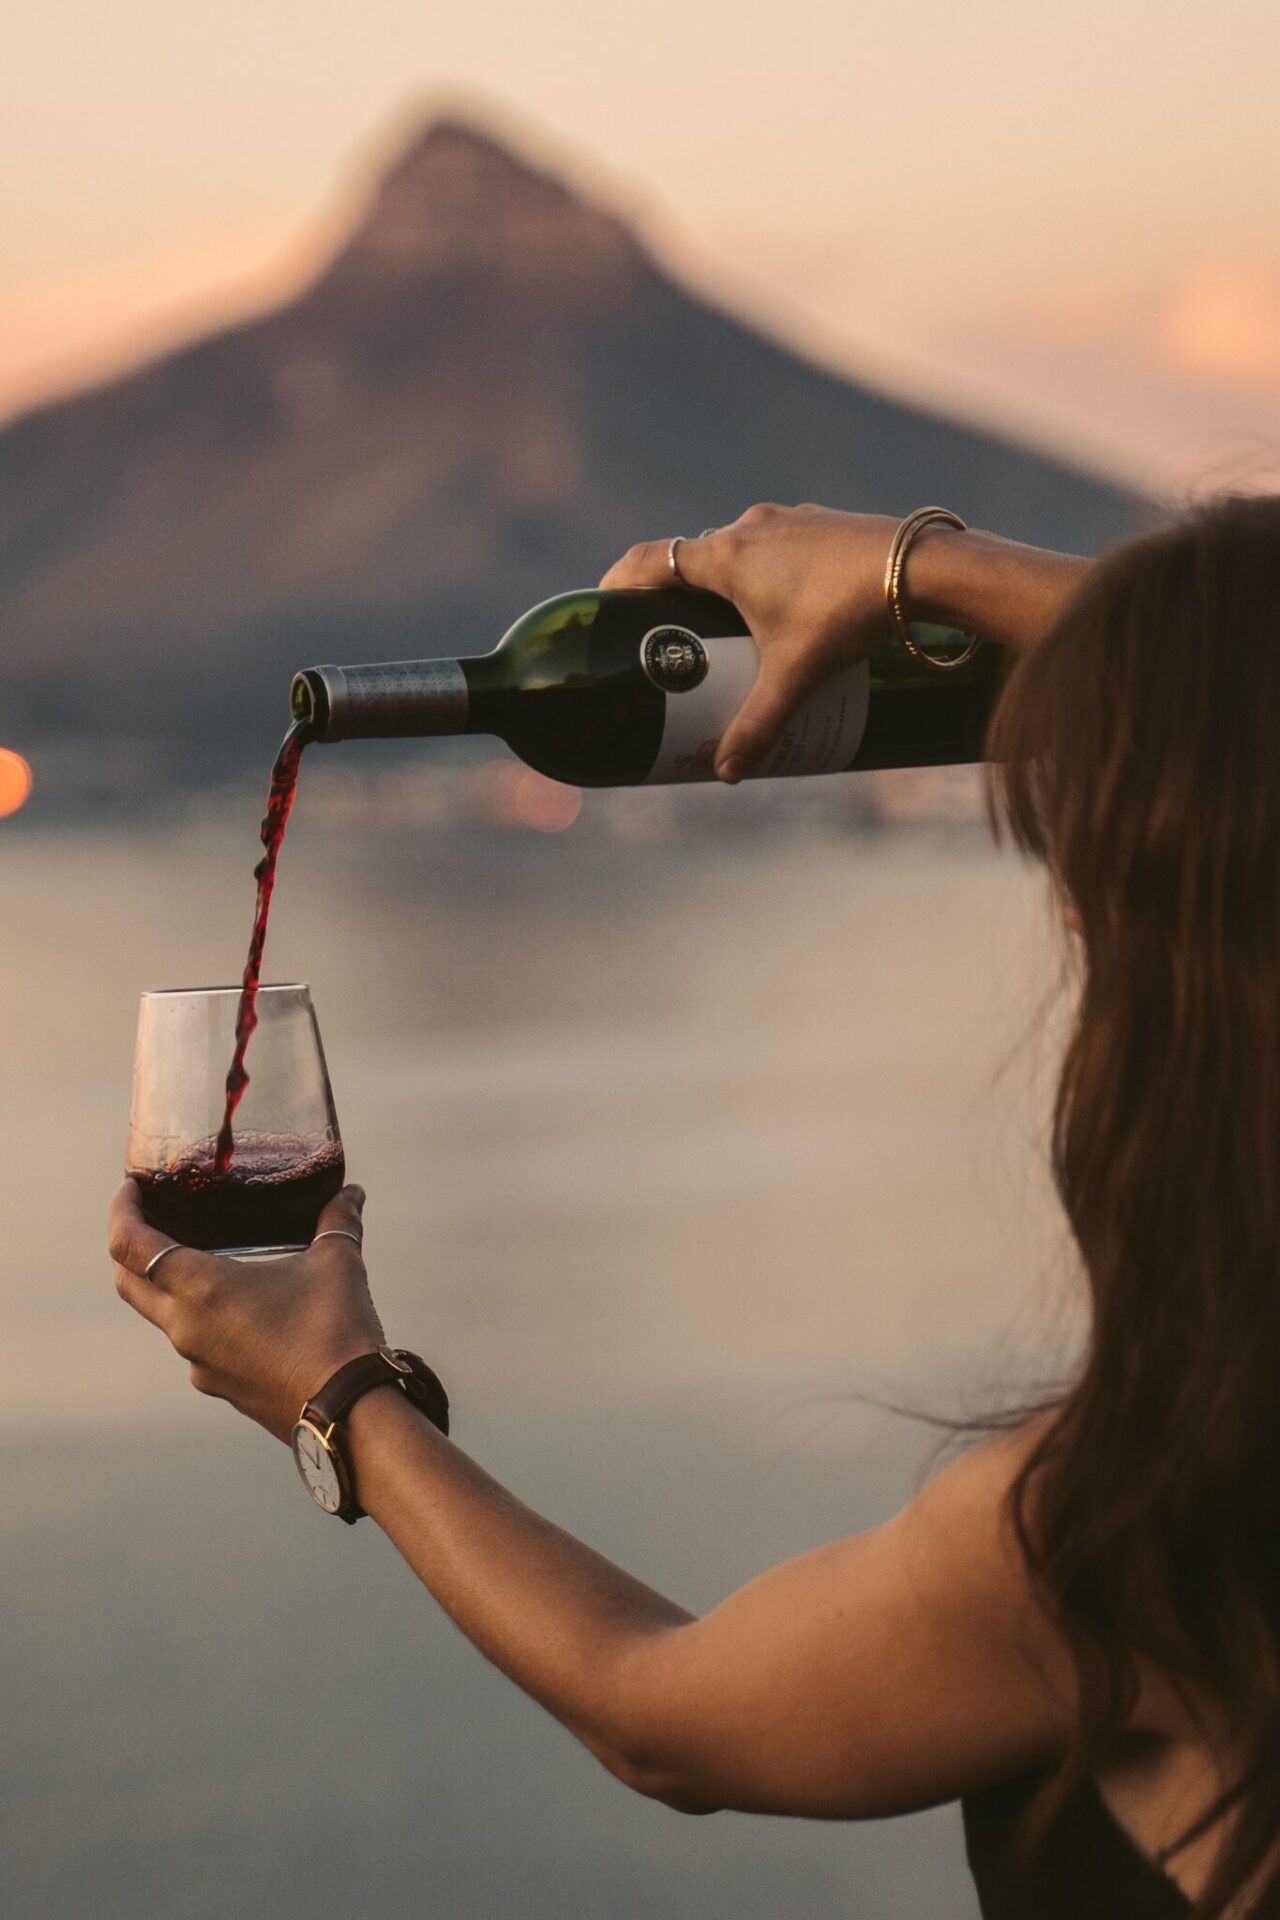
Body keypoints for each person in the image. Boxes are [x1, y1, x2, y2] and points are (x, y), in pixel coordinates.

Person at [109, 497, 1280, 1919]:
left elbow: (657, 1714)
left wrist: (336, 1394)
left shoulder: (1145, 1533)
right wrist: (929, 571)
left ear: (1177, 1017)